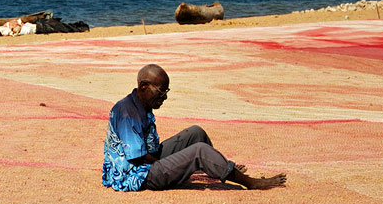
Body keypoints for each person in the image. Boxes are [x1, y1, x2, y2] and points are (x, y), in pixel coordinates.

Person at [102, 65, 287, 191]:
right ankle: (251, 183)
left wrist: (175, 163)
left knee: (195, 133)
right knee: (199, 152)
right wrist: (173, 166)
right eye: (160, 91)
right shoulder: (127, 112)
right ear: (143, 87)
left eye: (166, 92)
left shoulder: (141, 104)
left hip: (147, 161)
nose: (164, 97)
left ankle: (219, 166)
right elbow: (138, 156)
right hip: (135, 175)